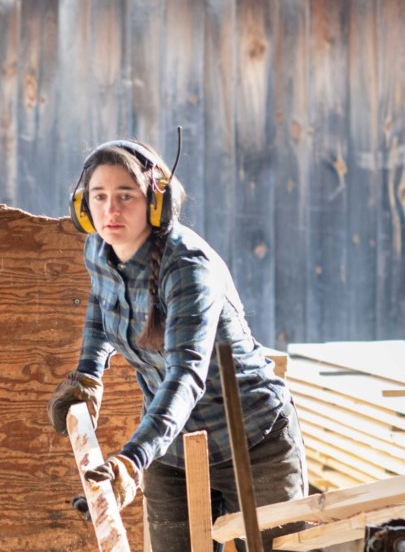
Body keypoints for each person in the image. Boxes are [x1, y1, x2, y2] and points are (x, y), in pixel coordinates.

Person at [47, 138, 308, 552]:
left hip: (253, 443)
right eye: (99, 197)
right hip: (171, 451)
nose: (110, 211)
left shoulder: (187, 269)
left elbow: (185, 376)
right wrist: (88, 375)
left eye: (125, 196)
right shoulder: (99, 247)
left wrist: (131, 462)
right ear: (83, 205)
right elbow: (102, 302)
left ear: (156, 202)